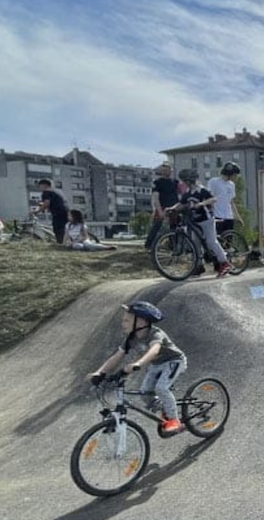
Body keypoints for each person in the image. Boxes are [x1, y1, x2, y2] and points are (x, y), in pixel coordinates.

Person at [89, 301, 188, 436]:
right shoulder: (131, 338)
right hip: (156, 365)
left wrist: (138, 364)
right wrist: (99, 373)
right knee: (145, 393)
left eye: (126, 320)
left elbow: (154, 350)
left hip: (174, 361)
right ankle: (165, 407)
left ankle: (174, 421)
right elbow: (117, 356)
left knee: (161, 388)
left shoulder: (155, 334)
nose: (122, 323)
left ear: (141, 322)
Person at [171, 168, 233, 277]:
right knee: (195, 243)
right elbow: (181, 204)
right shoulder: (188, 193)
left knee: (211, 241)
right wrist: (171, 208)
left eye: (184, 181)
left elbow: (213, 199)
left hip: (206, 220)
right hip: (195, 222)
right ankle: (199, 266)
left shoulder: (201, 190)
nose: (183, 183)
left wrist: (201, 204)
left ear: (189, 180)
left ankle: (225, 263)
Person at [147, 163, 180, 250]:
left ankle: (173, 246)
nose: (166, 172)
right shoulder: (158, 182)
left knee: (174, 227)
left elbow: (180, 195)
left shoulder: (175, 182)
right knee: (156, 226)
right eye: (164, 170)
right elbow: (155, 197)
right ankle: (149, 245)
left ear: (171, 171)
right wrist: (159, 211)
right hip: (162, 207)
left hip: (174, 208)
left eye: (168, 170)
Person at [209, 162, 242, 235]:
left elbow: (231, 201)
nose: (235, 177)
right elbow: (210, 198)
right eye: (235, 175)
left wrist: (237, 216)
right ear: (230, 174)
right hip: (217, 216)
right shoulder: (214, 182)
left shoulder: (231, 185)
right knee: (218, 237)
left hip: (229, 216)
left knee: (228, 238)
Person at [36, 179, 69, 244]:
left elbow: (47, 203)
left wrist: (37, 211)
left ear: (44, 185)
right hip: (66, 212)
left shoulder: (46, 192)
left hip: (58, 214)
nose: (39, 188)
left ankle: (61, 244)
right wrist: (42, 205)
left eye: (39, 186)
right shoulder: (56, 191)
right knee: (66, 229)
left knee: (58, 230)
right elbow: (52, 202)